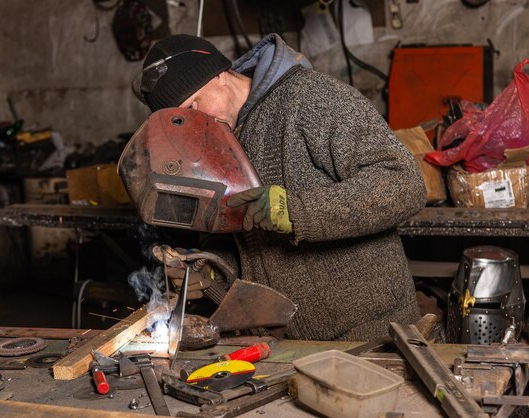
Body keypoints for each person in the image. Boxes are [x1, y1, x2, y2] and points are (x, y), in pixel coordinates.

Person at [132, 33, 427, 341]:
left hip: (372, 335)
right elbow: (246, 247)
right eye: (185, 117)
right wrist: (208, 272)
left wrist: (297, 211)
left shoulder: (310, 98)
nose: (198, 121)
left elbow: (404, 182)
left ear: (219, 75)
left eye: (196, 103)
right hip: (289, 343)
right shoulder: (212, 144)